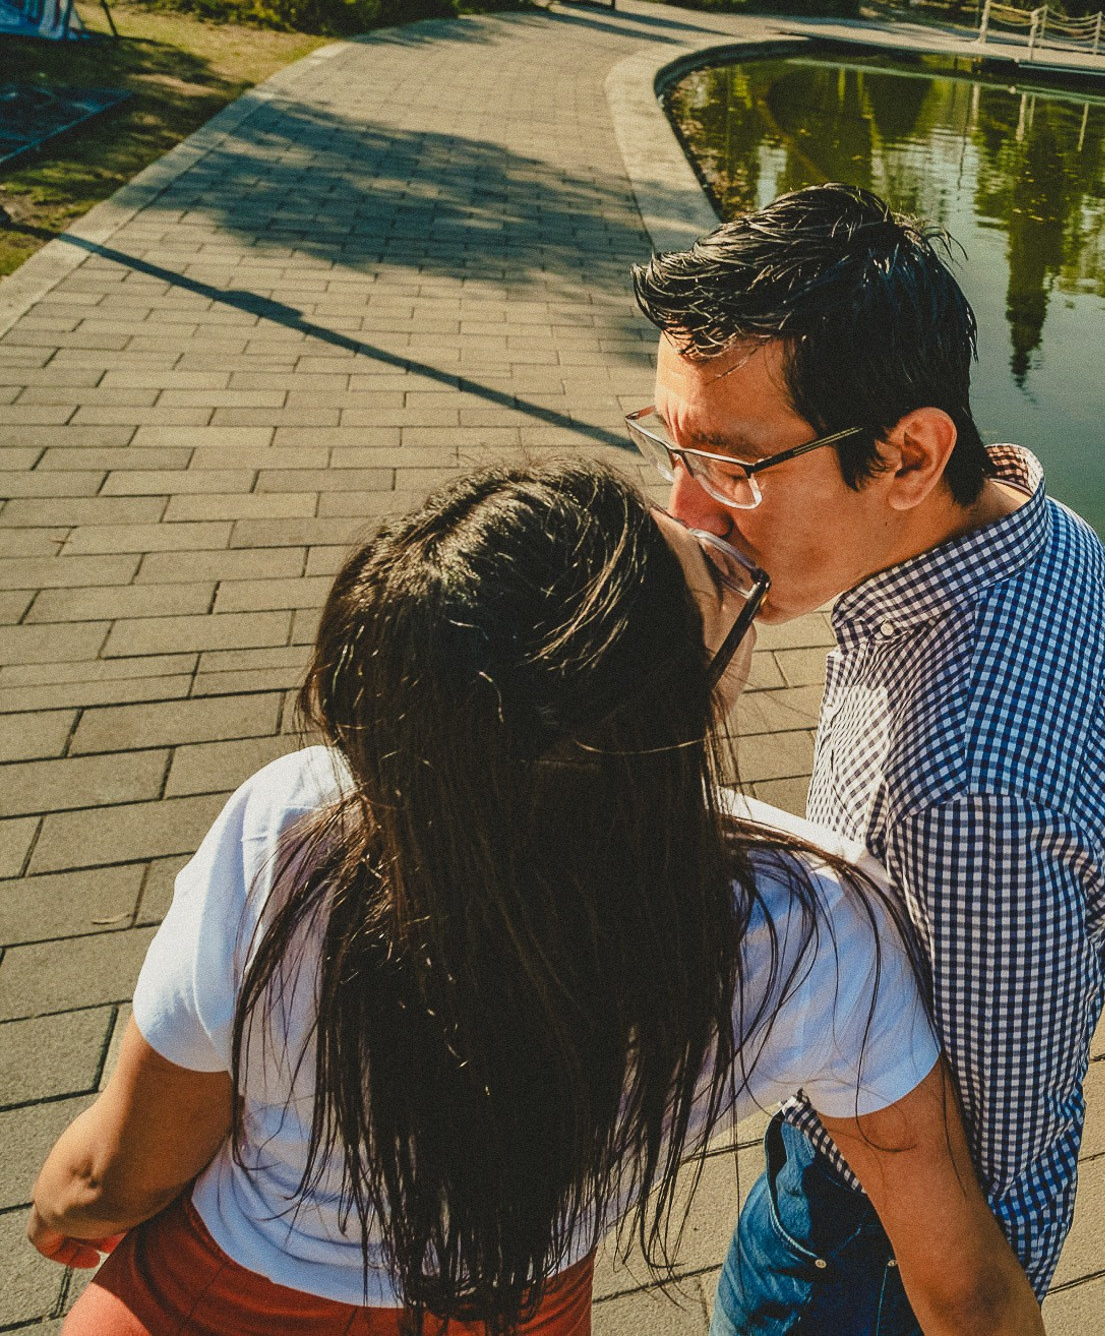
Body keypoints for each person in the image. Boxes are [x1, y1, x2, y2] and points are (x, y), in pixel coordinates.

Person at [25, 460, 1043, 1336]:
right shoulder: (812, 923)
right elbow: (965, 1288)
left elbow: (124, 1167)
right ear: (680, 712)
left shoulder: (295, 829)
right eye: (726, 585)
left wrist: (62, 1205)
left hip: (209, 1293)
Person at [630, 184, 1105, 1333]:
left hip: (862, 1252)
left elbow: (974, 1149)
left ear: (909, 453)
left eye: (729, 466)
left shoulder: (960, 790)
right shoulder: (1034, 527)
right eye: (667, 446)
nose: (682, 510)